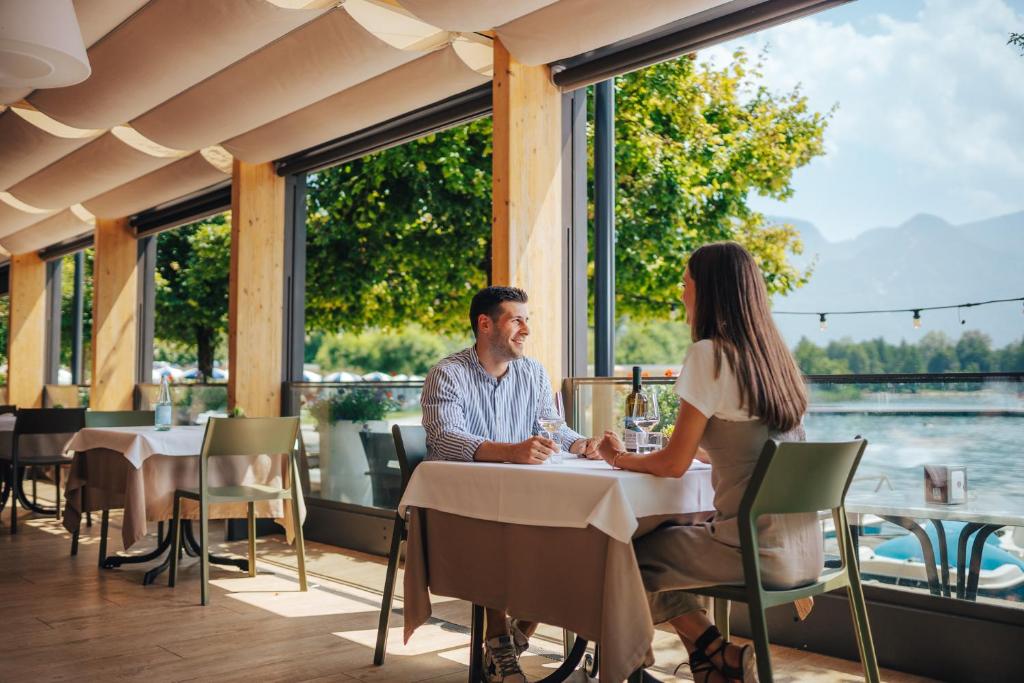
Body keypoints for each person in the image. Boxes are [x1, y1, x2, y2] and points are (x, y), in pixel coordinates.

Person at [596, 242, 818, 683]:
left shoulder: (708, 355)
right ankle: (714, 659)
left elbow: (675, 464)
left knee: (619, 555)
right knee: (657, 540)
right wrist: (665, 454)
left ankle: (640, 667)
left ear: (709, 291)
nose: (682, 294)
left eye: (686, 283)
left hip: (751, 550)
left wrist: (618, 457)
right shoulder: (774, 361)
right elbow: (731, 446)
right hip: (804, 551)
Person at [421, 285, 600, 683]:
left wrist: (582, 444)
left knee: (572, 537)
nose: (526, 330)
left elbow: (553, 428)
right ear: (485, 324)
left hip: (522, 501)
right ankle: (500, 637)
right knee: (494, 531)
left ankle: (520, 634)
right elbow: (445, 437)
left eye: (527, 320)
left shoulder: (534, 372)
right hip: (458, 508)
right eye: (516, 320)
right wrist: (510, 451)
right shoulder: (447, 374)